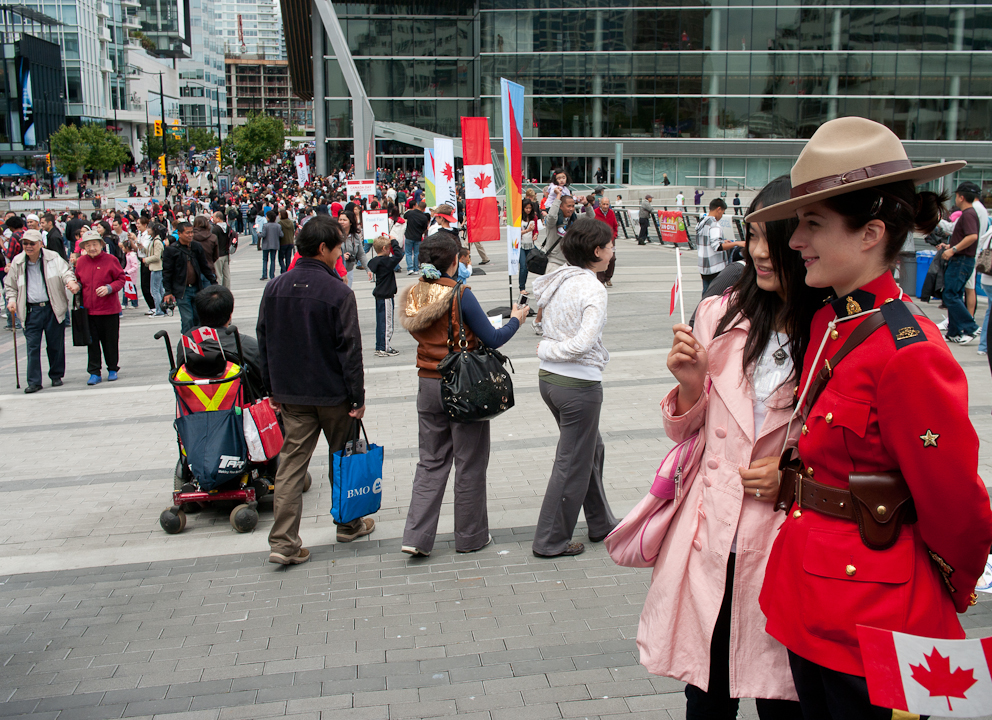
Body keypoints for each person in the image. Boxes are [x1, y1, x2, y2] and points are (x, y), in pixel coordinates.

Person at [745, 116, 992, 719]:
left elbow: (956, 503)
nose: (795, 240)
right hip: (810, 596)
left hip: (876, 615)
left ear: (870, 233)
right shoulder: (836, 324)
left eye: (811, 223)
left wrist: (942, 591)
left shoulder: (909, 350)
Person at [643, 177, 828, 720]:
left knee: (782, 698)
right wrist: (691, 385)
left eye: (776, 236)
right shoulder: (718, 316)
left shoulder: (832, 328)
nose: (760, 251)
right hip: (712, 533)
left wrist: (791, 475)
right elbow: (687, 436)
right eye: (753, 235)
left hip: (785, 542)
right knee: (707, 694)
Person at [398, 233, 527, 557]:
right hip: (462, 384)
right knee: (469, 462)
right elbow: (493, 338)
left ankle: (416, 537)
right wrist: (516, 319)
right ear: (454, 261)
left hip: (427, 384)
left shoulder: (414, 293)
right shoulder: (461, 294)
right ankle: (470, 537)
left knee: (430, 462)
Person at [257, 214, 374, 566]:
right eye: (338, 248)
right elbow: (349, 350)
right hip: (334, 394)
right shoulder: (338, 291)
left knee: (291, 466)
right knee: (342, 459)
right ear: (324, 248)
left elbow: (264, 342)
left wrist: (270, 389)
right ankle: (348, 524)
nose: (341, 255)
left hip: (292, 394)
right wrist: (357, 397)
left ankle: (283, 542)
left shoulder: (274, 287)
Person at [531, 219, 617, 558]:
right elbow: (582, 343)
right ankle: (550, 540)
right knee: (571, 463)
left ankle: (601, 522)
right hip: (577, 384)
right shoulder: (592, 288)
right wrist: (548, 350)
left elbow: (540, 323)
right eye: (610, 246)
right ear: (596, 251)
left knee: (589, 451)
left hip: (551, 382)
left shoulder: (560, 279)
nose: (613, 252)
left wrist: (547, 350)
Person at [3, 229, 79, 393]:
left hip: (52, 307)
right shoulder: (18, 261)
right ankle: (34, 381)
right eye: (25, 243)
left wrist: (70, 282)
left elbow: (66, 271)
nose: (28, 246)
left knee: (55, 344)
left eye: (32, 243)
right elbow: (10, 285)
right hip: (31, 310)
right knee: (32, 347)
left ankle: (56, 375)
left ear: (40, 244)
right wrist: (11, 300)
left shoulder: (52, 257)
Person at [177, 284, 264, 401]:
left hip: (195, 408)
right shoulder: (246, 345)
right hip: (240, 408)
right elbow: (266, 379)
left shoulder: (186, 343)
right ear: (230, 314)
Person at [74, 231, 126, 385]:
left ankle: (112, 368)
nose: (92, 248)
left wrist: (109, 288)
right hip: (89, 310)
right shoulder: (81, 262)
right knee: (92, 342)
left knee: (110, 341)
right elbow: (78, 280)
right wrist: (76, 285)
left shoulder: (111, 260)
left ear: (101, 245)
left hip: (109, 309)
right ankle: (94, 372)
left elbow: (121, 279)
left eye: (94, 244)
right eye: (88, 245)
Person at [937, 181, 982, 343]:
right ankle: (953, 332)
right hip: (962, 259)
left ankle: (971, 327)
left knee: (950, 295)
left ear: (961, 197)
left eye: (956, 196)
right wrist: (950, 246)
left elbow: (972, 236)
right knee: (954, 295)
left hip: (961, 260)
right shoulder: (969, 214)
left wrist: (953, 250)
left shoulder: (968, 214)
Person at [532, 189, 581, 335]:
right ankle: (538, 322)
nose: (571, 209)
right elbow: (552, 215)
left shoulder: (573, 221)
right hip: (554, 262)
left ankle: (559, 322)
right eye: (568, 206)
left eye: (573, 206)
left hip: (569, 263)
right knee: (548, 294)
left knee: (567, 295)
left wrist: (588, 205)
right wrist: (558, 197)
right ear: (561, 206)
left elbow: (590, 218)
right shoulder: (553, 222)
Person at [162, 222, 217, 334]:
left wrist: (213, 281)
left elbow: (204, 266)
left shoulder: (196, 247)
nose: (190, 235)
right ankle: (187, 344)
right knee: (187, 318)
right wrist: (168, 291)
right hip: (182, 290)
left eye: (192, 232)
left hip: (197, 288)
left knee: (198, 317)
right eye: (187, 233)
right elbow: (167, 272)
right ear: (180, 234)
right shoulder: (171, 250)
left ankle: (198, 343)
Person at [697, 198, 744, 293]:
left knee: (706, 293)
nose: (721, 215)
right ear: (719, 209)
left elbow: (708, 241)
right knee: (715, 295)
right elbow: (717, 246)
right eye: (722, 212)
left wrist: (723, 241)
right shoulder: (714, 224)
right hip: (715, 267)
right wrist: (737, 243)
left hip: (704, 266)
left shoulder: (702, 222)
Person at [367, 234, 403, 357]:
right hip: (386, 295)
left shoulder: (374, 262)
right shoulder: (386, 262)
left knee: (380, 321)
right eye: (388, 248)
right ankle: (385, 347)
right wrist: (394, 241)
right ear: (384, 248)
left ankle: (380, 345)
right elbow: (399, 255)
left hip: (379, 295)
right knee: (387, 322)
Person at [339, 210, 370, 287]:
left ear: (350, 222)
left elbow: (361, 254)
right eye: (340, 219)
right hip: (337, 271)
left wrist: (368, 269)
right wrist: (341, 256)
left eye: (344, 220)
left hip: (349, 270)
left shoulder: (355, 236)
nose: (341, 222)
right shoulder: (335, 235)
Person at [594, 196, 618, 287]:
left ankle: (608, 277)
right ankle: (601, 280)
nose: (605, 206)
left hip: (610, 239)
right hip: (599, 239)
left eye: (607, 204)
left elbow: (615, 226)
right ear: (600, 204)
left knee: (612, 259)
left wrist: (614, 236)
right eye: (603, 204)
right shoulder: (595, 213)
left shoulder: (611, 213)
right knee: (600, 259)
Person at [404, 200, 430, 275]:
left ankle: (410, 268)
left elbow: (404, 216)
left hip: (409, 235)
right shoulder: (424, 217)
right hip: (418, 236)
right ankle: (416, 269)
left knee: (408, 253)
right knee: (416, 253)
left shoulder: (410, 213)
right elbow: (425, 228)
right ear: (424, 208)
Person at [519, 199, 539, 295]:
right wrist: (527, 230)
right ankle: (522, 287)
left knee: (537, 263)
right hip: (521, 245)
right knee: (523, 266)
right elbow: (516, 233)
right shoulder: (519, 218)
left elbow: (536, 230)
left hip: (530, 244)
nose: (528, 210)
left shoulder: (534, 217)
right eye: (526, 208)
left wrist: (535, 235)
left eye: (530, 208)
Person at [211, 211, 233, 289]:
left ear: (218, 218)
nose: (212, 219)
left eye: (213, 217)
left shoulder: (215, 229)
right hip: (226, 253)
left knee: (218, 275)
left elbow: (214, 242)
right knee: (227, 275)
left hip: (218, 254)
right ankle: (227, 289)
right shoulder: (228, 227)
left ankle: (219, 291)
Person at [260, 210, 282, 281]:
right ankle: (272, 275)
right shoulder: (278, 226)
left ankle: (264, 274)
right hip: (275, 244)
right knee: (273, 260)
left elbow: (263, 235)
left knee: (265, 260)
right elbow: (281, 234)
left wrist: (258, 233)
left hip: (266, 244)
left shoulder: (265, 226)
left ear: (268, 218)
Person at [277, 209, 295, 274]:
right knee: (288, 258)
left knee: (281, 258)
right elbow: (293, 231)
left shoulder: (280, 223)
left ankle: (283, 270)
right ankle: (288, 271)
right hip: (290, 242)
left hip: (283, 242)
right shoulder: (291, 222)